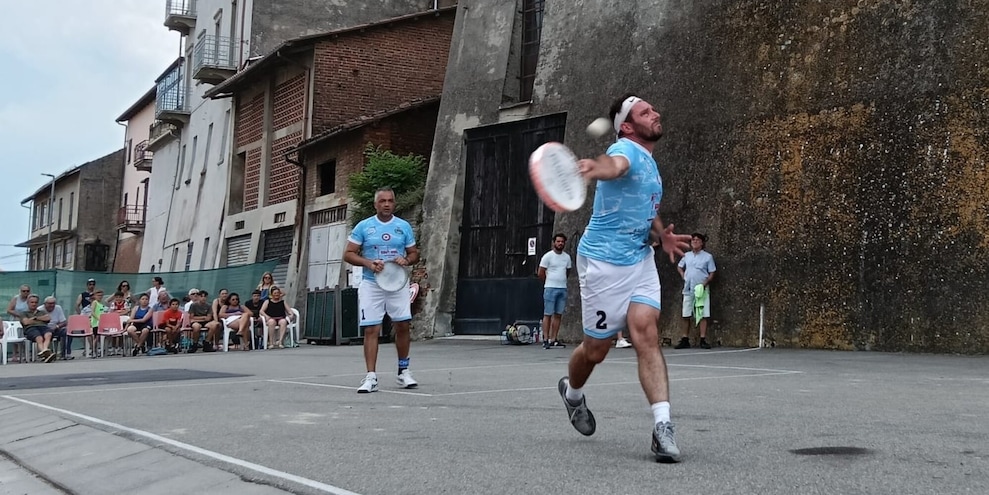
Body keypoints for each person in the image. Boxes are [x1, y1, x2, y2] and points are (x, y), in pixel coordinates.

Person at [557, 94, 691, 463]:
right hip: (603, 263)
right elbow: (613, 165)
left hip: (640, 259)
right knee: (596, 350)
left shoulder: (649, 162)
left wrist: (661, 234)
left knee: (645, 332)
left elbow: (647, 207)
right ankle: (572, 394)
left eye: (653, 107)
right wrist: (595, 168)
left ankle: (662, 427)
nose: (656, 112)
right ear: (628, 126)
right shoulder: (626, 150)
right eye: (646, 112)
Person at [343, 186, 420, 393]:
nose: (386, 204)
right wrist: (368, 263)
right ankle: (371, 377)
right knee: (371, 329)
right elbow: (348, 254)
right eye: (382, 201)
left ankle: (403, 372)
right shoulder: (364, 226)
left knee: (402, 325)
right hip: (372, 283)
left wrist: (406, 259)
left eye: (390, 201)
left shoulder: (403, 226)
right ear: (375, 204)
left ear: (394, 203)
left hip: (397, 283)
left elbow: (414, 254)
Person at [675, 233, 717, 350]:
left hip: (701, 288)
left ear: (702, 243)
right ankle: (685, 339)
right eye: (693, 240)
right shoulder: (686, 256)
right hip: (688, 288)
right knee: (686, 314)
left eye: (697, 240)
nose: (695, 242)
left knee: (703, 313)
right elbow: (679, 266)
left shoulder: (708, 257)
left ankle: (703, 339)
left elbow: (712, 272)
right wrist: (683, 275)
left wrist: (705, 283)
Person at [538, 234, 572, 349]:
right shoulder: (548, 256)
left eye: (562, 242)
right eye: (558, 241)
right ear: (554, 243)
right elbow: (541, 272)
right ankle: (546, 339)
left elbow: (568, 271)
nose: (560, 243)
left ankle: (554, 339)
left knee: (558, 314)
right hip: (550, 288)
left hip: (562, 288)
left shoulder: (567, 257)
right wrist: (548, 282)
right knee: (547, 314)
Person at [21, 295, 56, 363]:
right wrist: (41, 319)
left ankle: (45, 350)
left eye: (36, 302)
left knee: (49, 334)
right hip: (30, 328)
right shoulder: (24, 313)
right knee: (39, 337)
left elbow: (48, 318)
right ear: (28, 303)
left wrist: (35, 318)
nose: (34, 304)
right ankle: (45, 352)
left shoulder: (42, 312)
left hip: (43, 327)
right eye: (32, 302)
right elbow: (26, 322)